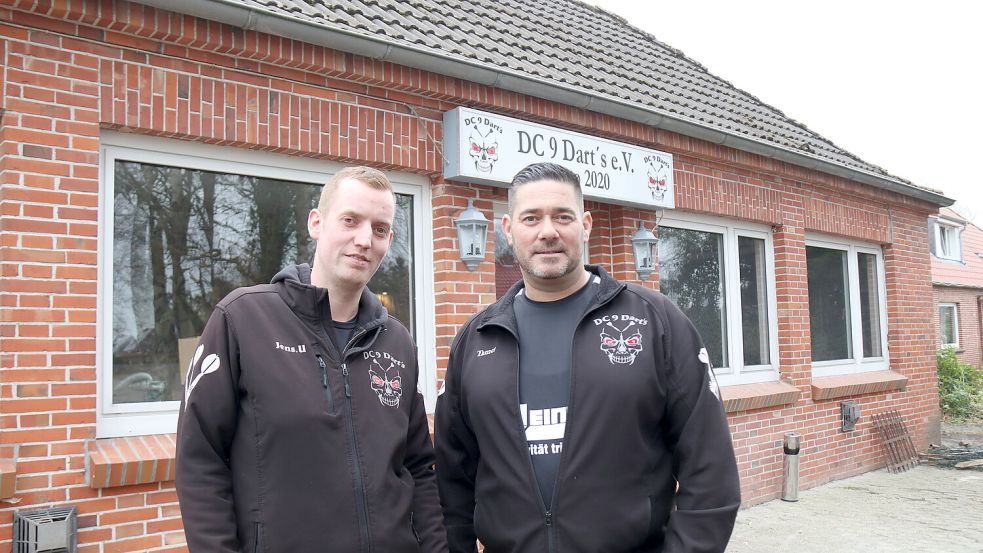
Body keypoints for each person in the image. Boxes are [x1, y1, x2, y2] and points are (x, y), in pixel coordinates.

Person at [435, 162, 741, 553]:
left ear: (586, 224)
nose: (548, 231)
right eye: (532, 218)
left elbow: (710, 472)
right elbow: (452, 483)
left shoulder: (655, 322)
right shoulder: (475, 340)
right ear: (509, 230)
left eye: (562, 216)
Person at [176, 166, 447, 553]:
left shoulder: (396, 341)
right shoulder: (241, 320)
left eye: (380, 229)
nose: (364, 239)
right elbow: (199, 460)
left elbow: (418, 467)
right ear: (316, 223)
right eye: (350, 220)